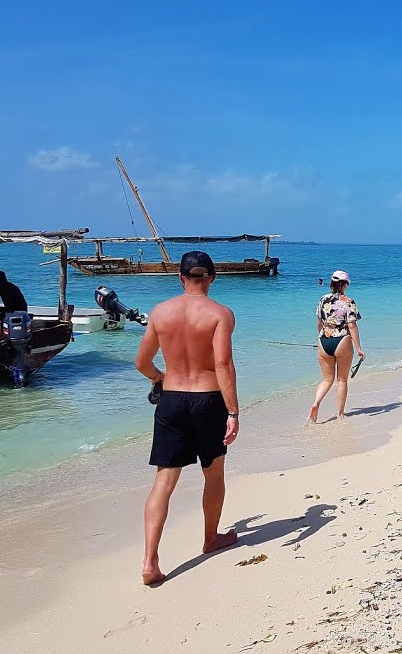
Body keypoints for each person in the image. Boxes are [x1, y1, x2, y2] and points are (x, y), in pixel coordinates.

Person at [133, 251, 241, 586]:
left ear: (180, 277)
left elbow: (142, 362)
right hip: (208, 401)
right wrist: (233, 411)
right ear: (212, 277)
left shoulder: (160, 312)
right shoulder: (221, 314)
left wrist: (158, 378)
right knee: (214, 474)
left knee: (164, 481)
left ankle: (150, 561)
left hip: (172, 400)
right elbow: (222, 364)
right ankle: (211, 538)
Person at [310, 270, 364, 423]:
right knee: (342, 380)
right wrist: (359, 348)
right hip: (342, 341)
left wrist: (322, 337)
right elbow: (352, 326)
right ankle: (340, 414)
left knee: (327, 379)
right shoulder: (349, 301)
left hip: (324, 341)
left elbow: (319, 323)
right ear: (345, 284)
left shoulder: (323, 299)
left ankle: (316, 403)